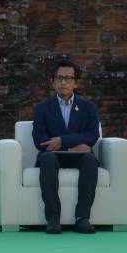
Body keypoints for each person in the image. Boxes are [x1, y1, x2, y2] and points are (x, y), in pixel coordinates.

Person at [32, 59, 100, 234]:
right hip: (52, 155)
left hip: (79, 156)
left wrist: (62, 141)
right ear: (52, 82)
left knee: (90, 160)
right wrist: (69, 146)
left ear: (75, 83)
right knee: (47, 159)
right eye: (59, 78)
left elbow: (92, 135)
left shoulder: (88, 107)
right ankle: (53, 218)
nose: (63, 82)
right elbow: (39, 140)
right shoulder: (42, 108)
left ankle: (82, 218)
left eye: (68, 78)